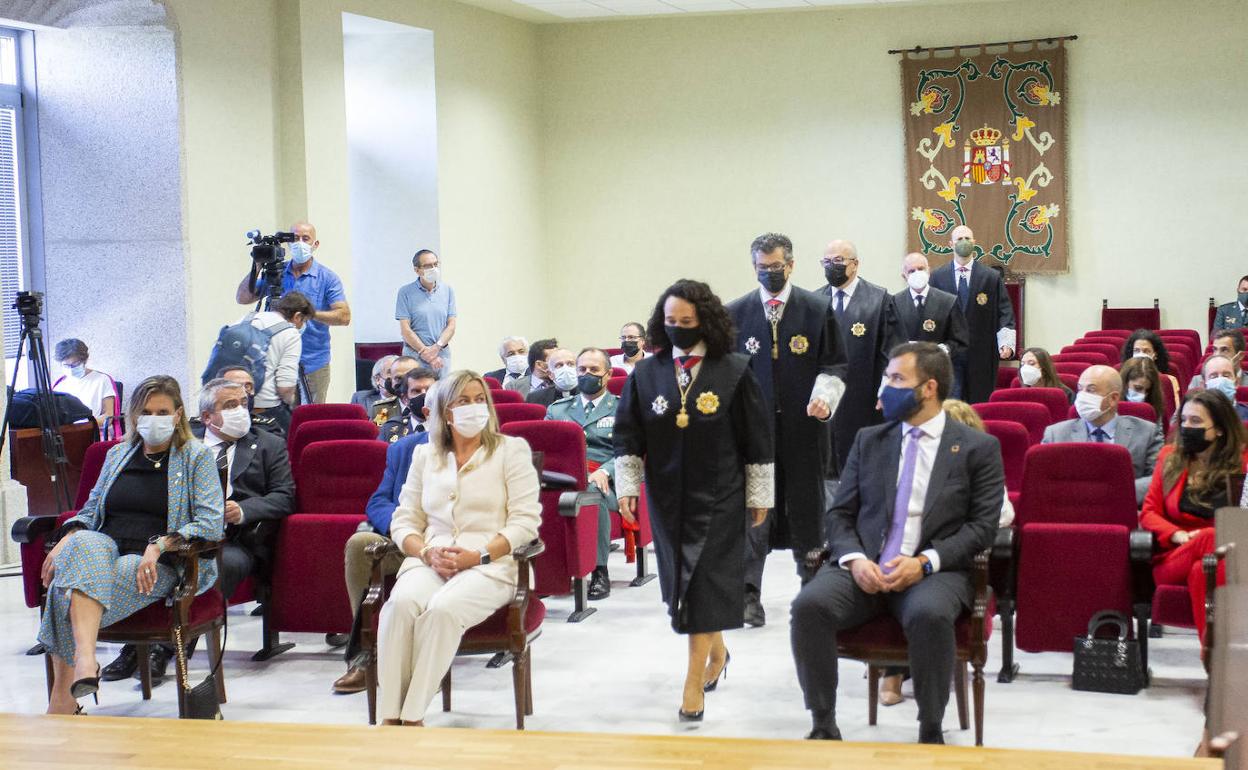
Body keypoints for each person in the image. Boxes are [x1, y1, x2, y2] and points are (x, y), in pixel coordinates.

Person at [791, 342, 1002, 745]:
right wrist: (854, 560)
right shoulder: (870, 439)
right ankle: (823, 723)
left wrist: (924, 563)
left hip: (934, 571)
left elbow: (982, 527)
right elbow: (839, 514)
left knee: (929, 614)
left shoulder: (977, 448)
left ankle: (930, 729)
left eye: (896, 379)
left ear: (928, 388)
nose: (885, 388)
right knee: (809, 606)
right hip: (866, 567)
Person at [613, 279, 774, 722]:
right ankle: (718, 651)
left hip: (722, 494)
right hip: (666, 497)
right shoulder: (647, 373)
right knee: (683, 586)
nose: (679, 328)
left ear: (704, 320)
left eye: (687, 321)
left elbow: (757, 437)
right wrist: (628, 487)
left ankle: (691, 681)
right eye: (671, 322)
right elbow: (627, 435)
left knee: (703, 582)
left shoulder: (735, 369)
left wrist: (761, 493)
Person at [36, 376, 223, 715]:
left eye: (162, 411)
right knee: (83, 543)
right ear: (134, 416)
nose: (154, 418)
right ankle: (87, 660)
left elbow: (211, 524)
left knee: (68, 589)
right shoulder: (119, 453)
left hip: (160, 565)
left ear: (178, 414)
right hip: (105, 548)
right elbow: (91, 510)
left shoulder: (195, 457)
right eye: (146, 412)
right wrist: (68, 537)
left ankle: (62, 704)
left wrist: (159, 545)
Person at [103, 376, 297, 683]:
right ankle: (135, 642)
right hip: (171, 534)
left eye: (243, 404)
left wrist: (244, 510)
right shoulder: (182, 444)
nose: (241, 410)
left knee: (214, 567)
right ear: (206, 416)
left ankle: (163, 649)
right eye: (230, 405)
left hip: (233, 540)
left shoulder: (268, 444)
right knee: (139, 564)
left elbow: (284, 496)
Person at [376, 371, 541, 725]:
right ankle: (389, 717)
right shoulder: (425, 455)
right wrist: (424, 552)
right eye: (462, 401)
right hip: (431, 559)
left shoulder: (511, 450)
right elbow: (405, 520)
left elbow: (525, 522)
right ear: (444, 412)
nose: (473, 407)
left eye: (479, 399)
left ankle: (412, 716)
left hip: (490, 564)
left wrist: (478, 555)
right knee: (399, 605)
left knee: (443, 610)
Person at [727, 232, 846, 627]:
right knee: (754, 511)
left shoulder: (817, 309)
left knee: (808, 510)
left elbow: (835, 365)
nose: (769, 274)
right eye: (762, 268)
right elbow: (726, 374)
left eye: (776, 267)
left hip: (805, 428)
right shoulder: (737, 313)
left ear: (791, 266)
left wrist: (824, 398)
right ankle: (747, 594)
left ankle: (812, 592)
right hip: (754, 434)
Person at [877, 397, 1016, 707]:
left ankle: (905, 675)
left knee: (927, 597)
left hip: (957, 562)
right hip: (910, 556)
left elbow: (1002, 513)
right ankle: (894, 669)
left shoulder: (978, 461)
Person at [1141, 389, 1248, 643]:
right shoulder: (1170, 458)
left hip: (1226, 558)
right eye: (1184, 420)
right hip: (1173, 557)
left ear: (1220, 429)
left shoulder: (1243, 463)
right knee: (1210, 537)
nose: (1187, 427)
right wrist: (1177, 534)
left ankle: (1212, 652)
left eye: (1196, 422)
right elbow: (1149, 512)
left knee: (1204, 569)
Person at [334, 418, 432, 694]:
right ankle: (367, 652)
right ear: (429, 413)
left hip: (452, 541)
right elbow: (378, 502)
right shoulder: (404, 449)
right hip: (404, 540)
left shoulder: (483, 449)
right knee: (360, 542)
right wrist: (403, 529)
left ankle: (423, 662)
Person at [236, 220, 351, 404]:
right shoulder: (276, 273)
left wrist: (309, 313)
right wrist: (257, 267)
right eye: (295, 238)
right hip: (276, 359)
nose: (300, 243)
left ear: (315, 244)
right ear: (288, 243)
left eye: (306, 239)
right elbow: (242, 297)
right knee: (279, 418)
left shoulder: (326, 278)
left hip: (312, 362)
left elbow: (344, 317)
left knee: (310, 420)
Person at [546, 347, 619, 600]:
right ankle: (547, 573)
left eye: (594, 370)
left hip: (607, 481)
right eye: (582, 370)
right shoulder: (558, 410)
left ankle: (599, 570)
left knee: (591, 492)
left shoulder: (621, 408)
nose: (587, 374)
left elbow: (629, 452)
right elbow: (546, 449)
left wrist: (604, 471)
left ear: (607, 375)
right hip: (565, 479)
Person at [819, 239, 894, 475]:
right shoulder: (814, 302)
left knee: (866, 467)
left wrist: (887, 391)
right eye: (827, 261)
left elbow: (892, 352)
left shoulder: (880, 299)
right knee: (830, 471)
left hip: (867, 401)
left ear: (855, 264)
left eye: (839, 261)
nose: (832, 266)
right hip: (827, 403)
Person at [1042, 365, 1164, 504]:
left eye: (1091, 390)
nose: (1082, 396)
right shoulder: (1055, 434)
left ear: (1113, 398)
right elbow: (1043, 481)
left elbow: (1158, 477)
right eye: (1080, 389)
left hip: (1125, 512)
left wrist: (1114, 493)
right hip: (1072, 512)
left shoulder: (1147, 432)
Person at [929, 225, 1015, 403]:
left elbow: (1004, 310)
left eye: (968, 238)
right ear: (951, 244)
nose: (964, 242)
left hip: (982, 353)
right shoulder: (938, 277)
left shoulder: (990, 277)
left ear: (974, 242)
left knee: (979, 404)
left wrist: (1006, 343)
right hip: (949, 354)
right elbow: (931, 315)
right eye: (959, 239)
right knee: (951, 405)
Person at [243, 291, 314, 433]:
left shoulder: (247, 319)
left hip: (230, 404)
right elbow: (285, 388)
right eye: (304, 322)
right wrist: (291, 399)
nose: (302, 326)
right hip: (264, 407)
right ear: (297, 316)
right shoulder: (290, 333)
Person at [889, 253, 968, 362]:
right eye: (911, 271)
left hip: (938, 368)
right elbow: (890, 338)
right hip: (908, 367)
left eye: (921, 269)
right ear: (904, 276)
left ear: (928, 271)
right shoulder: (894, 302)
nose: (917, 273)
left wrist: (945, 349)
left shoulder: (948, 301)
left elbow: (960, 340)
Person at [396, 249, 456, 377]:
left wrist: (437, 348)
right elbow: (406, 330)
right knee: (416, 392)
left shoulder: (447, 290)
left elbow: (451, 325)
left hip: (441, 353)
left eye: (435, 264)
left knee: (442, 394)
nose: (433, 269)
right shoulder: (405, 292)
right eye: (428, 266)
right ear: (417, 270)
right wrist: (425, 352)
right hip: (415, 355)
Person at [52, 338, 120, 434]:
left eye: (75, 364)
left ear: (85, 360)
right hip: (65, 434)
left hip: (92, 432)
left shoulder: (102, 380)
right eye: (66, 366)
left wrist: (82, 426)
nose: (71, 369)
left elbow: (108, 417)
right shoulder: (59, 386)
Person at [216, 366, 285, 438]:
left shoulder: (268, 427)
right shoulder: (208, 423)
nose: (244, 391)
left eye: (248, 386)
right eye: (235, 386)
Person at [1122, 329, 1181, 407]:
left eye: (1146, 351)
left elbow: (1174, 413)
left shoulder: (1169, 380)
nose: (1141, 355)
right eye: (1136, 350)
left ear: (1155, 354)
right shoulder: (1121, 374)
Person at [379, 368, 438, 444]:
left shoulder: (450, 428)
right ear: (405, 399)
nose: (424, 395)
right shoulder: (389, 429)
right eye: (416, 391)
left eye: (429, 390)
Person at [1119, 356, 1169, 427]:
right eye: (1138, 388)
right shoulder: (1110, 406)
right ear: (1125, 383)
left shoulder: (1156, 406)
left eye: (1148, 390)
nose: (1143, 395)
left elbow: (1159, 435)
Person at [371, 356, 420, 426]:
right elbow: (377, 434)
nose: (405, 382)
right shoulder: (382, 409)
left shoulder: (432, 406)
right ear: (391, 381)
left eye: (411, 376)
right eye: (398, 378)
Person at [1198, 355, 1248, 421]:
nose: (1220, 380)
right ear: (1204, 386)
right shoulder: (1196, 417)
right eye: (1214, 377)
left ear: (1236, 383)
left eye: (1226, 376)